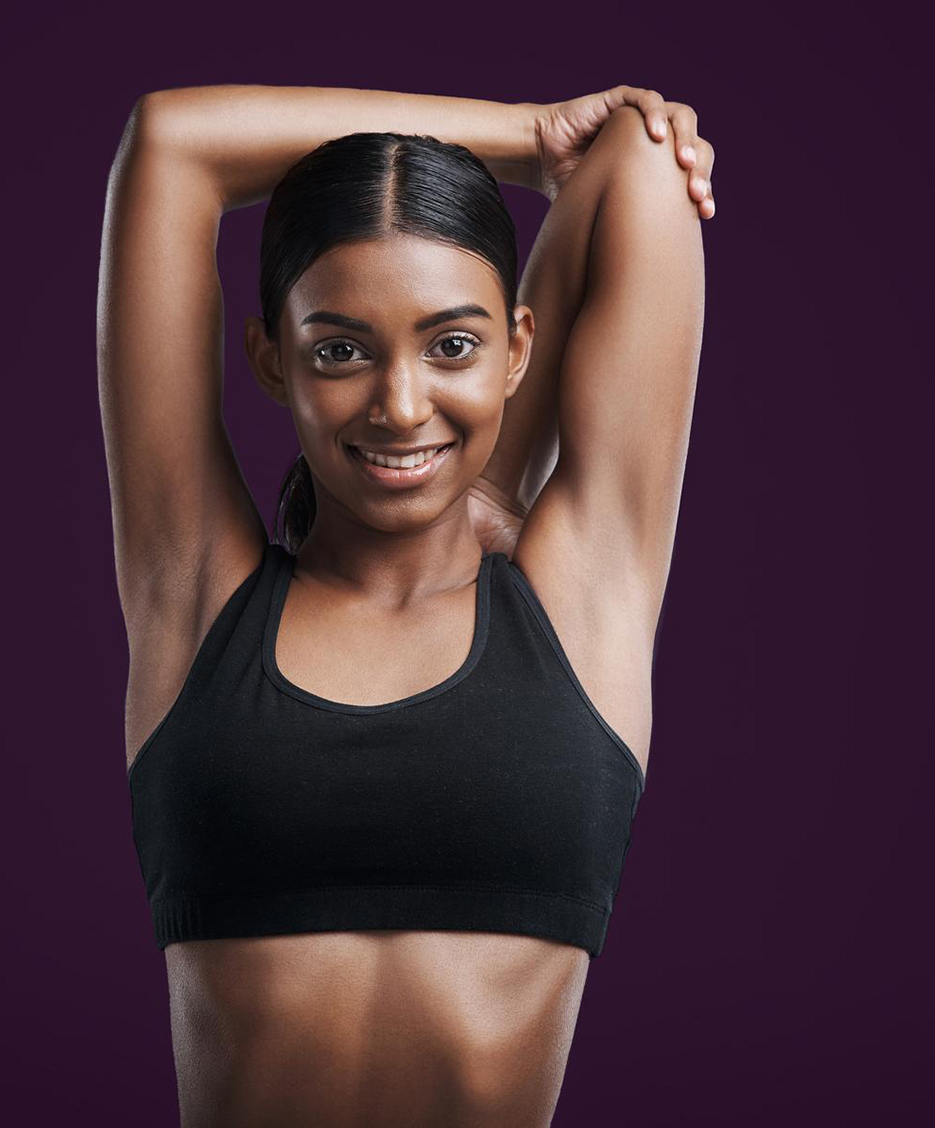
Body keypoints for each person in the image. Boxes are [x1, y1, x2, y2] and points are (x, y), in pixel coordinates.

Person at [97, 83, 711, 1127]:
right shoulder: (196, 599)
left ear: (516, 349)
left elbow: (637, 157)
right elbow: (171, 142)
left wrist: (494, 485)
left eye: (452, 345)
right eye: (340, 348)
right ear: (270, 358)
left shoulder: (581, 602)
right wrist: (524, 137)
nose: (400, 404)